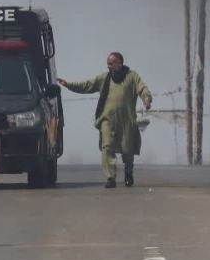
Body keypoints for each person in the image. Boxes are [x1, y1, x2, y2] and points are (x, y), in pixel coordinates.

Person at [58, 52, 152, 188]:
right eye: (108, 63)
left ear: (120, 63)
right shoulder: (104, 78)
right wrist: (68, 85)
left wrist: (147, 99)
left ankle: (128, 172)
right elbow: (87, 85)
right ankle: (110, 177)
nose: (108, 66)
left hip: (126, 120)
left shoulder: (132, 76)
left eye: (111, 63)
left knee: (127, 149)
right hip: (107, 119)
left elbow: (142, 88)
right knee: (107, 146)